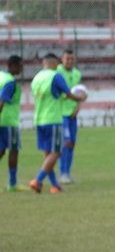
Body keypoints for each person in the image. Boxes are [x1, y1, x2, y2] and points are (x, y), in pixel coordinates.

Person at [29, 53, 86, 194]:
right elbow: (69, 93)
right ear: (55, 63)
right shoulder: (55, 76)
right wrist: (79, 98)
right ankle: (38, 180)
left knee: (47, 153)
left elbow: (57, 96)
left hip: (38, 119)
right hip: (53, 119)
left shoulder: (36, 78)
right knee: (57, 151)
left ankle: (55, 186)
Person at [57, 48, 82, 184]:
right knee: (65, 143)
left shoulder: (77, 74)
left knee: (72, 144)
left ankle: (67, 173)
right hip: (61, 113)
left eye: (72, 59)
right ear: (62, 59)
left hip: (73, 113)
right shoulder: (57, 72)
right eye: (68, 59)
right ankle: (63, 174)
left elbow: (79, 92)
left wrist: (78, 106)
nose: (70, 61)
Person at [0, 55, 24, 191]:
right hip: (9, 122)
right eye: (20, 66)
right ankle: (13, 184)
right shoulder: (9, 82)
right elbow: (1, 102)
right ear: (13, 66)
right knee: (13, 151)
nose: (22, 69)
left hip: (2, 121)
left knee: (1, 151)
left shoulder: (1, 77)